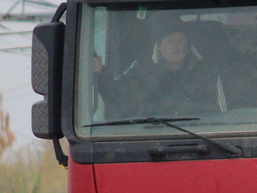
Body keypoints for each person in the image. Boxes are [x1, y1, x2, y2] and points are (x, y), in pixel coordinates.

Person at [95, 16, 226, 119]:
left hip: (198, 137)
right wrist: (101, 73)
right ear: (159, 47)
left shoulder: (207, 73)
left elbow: (220, 113)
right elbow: (117, 96)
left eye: (180, 41)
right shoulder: (140, 71)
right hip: (150, 136)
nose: (175, 46)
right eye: (169, 41)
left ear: (188, 48)